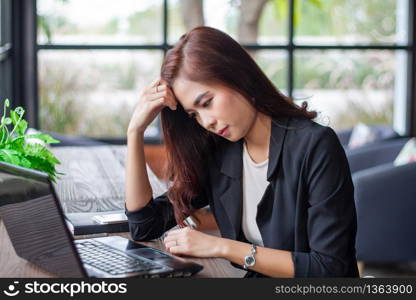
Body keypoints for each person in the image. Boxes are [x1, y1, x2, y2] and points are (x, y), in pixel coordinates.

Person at [125, 26, 359, 278]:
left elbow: (330, 269)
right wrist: (135, 132)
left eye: (207, 102)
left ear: (238, 77)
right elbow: (144, 225)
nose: (207, 122)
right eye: (194, 114)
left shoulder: (315, 145)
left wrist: (221, 246)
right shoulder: (221, 152)